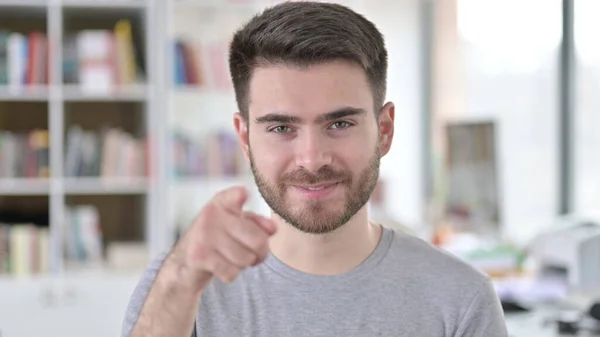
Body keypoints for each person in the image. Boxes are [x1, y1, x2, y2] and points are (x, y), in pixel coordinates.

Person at [121, 2, 508, 336]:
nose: (311, 159)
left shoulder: (461, 298)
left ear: (384, 130)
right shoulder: (182, 285)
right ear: (245, 137)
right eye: (281, 128)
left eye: (339, 124)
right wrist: (179, 279)